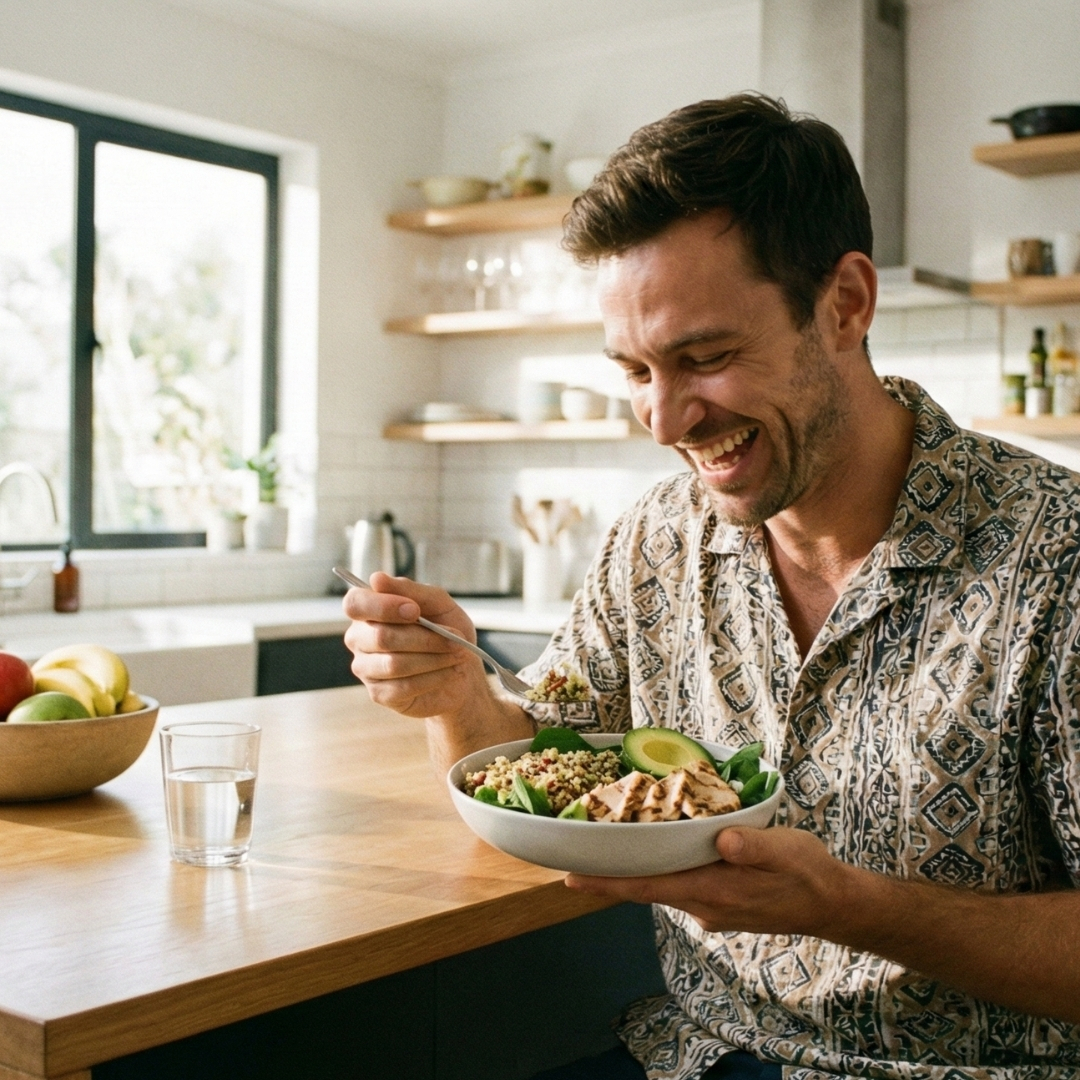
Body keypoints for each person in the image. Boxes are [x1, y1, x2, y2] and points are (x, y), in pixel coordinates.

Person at [344, 94, 1080, 1080]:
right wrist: (457, 696)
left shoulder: (1056, 556)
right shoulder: (656, 538)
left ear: (847, 305)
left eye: (705, 357)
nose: (663, 419)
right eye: (636, 370)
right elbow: (544, 779)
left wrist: (849, 907)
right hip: (694, 1056)